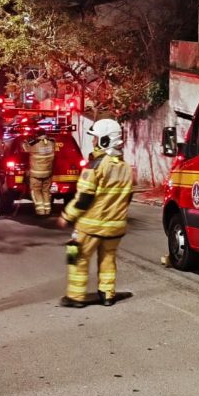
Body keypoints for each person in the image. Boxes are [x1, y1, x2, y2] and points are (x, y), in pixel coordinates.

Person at [58, 119, 133, 307]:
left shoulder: (96, 165)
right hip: (115, 227)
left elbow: (84, 198)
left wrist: (67, 216)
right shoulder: (125, 167)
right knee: (108, 260)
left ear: (105, 141)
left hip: (90, 226)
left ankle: (75, 297)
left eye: (96, 138)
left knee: (77, 258)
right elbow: (128, 197)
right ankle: (107, 295)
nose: (93, 142)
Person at [22, 128, 57, 216]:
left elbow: (24, 148)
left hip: (36, 174)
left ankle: (41, 212)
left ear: (36, 135)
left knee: (36, 191)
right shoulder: (51, 143)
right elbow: (54, 140)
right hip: (48, 173)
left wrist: (27, 140)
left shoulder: (34, 144)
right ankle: (47, 211)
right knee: (46, 191)